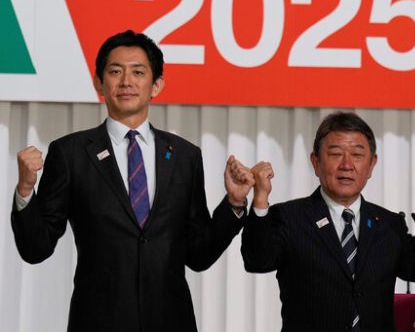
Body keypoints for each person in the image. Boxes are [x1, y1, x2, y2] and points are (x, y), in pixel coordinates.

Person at [11, 30, 253, 332]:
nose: (126, 81)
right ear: (99, 82)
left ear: (156, 85)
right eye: (115, 71)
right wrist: (25, 189)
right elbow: (36, 248)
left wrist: (234, 203)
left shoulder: (184, 156)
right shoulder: (70, 153)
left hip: (170, 321)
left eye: (138, 72)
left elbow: (198, 254)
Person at [241, 111, 415, 332]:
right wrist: (260, 198)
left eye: (357, 155)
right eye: (335, 154)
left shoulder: (389, 224)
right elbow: (257, 260)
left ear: (372, 165)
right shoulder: (290, 217)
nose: (347, 165)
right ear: (316, 162)